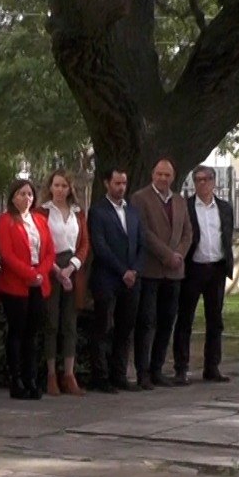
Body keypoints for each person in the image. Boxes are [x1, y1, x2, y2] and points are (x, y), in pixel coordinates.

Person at [132, 159, 191, 389]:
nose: (163, 178)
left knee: (167, 322)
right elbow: (144, 232)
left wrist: (179, 255)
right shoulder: (140, 198)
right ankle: (143, 372)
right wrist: (167, 255)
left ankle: (157, 369)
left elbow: (188, 232)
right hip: (151, 270)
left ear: (173, 177)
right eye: (159, 174)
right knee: (147, 322)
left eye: (167, 175)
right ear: (152, 174)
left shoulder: (179, 201)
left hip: (175, 272)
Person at [0, 179, 55, 400]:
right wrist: (29, 274)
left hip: (39, 284)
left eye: (29, 194)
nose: (26, 198)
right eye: (21, 194)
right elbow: (7, 255)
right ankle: (16, 380)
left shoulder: (40, 220)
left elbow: (50, 252)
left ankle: (31, 378)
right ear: (13, 197)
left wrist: (40, 273)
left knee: (33, 333)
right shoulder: (5, 220)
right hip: (15, 285)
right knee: (17, 332)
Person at [175, 164, 235, 384]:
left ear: (213, 182)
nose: (202, 184)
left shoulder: (225, 208)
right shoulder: (186, 207)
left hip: (216, 268)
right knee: (185, 320)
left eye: (206, 179)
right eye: (198, 180)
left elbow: (227, 235)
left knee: (215, 320)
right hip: (193, 268)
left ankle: (212, 366)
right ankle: (181, 368)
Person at [88, 167, 144, 393]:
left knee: (125, 328)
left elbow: (141, 244)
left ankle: (119, 374)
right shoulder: (98, 212)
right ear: (107, 183)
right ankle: (100, 377)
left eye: (124, 183)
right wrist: (122, 271)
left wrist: (134, 270)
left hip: (131, 280)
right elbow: (100, 246)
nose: (121, 187)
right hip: (107, 278)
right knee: (103, 328)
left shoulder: (133, 212)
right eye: (117, 183)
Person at [39, 170, 89, 396]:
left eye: (64, 186)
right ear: (50, 187)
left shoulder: (78, 214)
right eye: (56, 185)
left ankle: (69, 374)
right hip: (51, 268)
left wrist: (72, 267)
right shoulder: (42, 212)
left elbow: (84, 244)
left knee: (70, 323)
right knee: (51, 321)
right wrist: (57, 270)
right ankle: (51, 374)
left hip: (72, 268)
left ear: (70, 189)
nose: (60, 190)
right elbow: (39, 243)